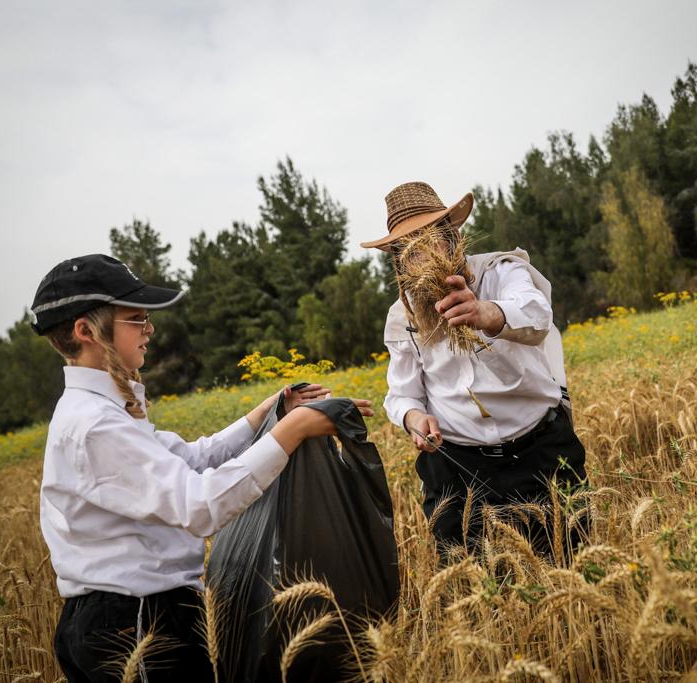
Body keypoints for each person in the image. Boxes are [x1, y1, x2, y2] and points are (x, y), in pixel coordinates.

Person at [31, 254, 373, 682]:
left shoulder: (101, 411)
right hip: (137, 625)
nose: (150, 330)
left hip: (127, 618)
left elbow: (190, 460)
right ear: (86, 331)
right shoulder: (96, 424)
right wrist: (294, 431)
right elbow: (199, 506)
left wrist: (266, 415)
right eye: (136, 319)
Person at [361, 182, 586, 556]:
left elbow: (537, 315)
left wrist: (486, 313)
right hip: (457, 468)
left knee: (569, 559)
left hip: (539, 450)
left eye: (432, 240)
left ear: (453, 237)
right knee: (468, 580)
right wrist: (415, 419)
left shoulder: (502, 272)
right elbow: (402, 394)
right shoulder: (402, 317)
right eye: (412, 252)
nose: (426, 257)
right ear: (401, 262)